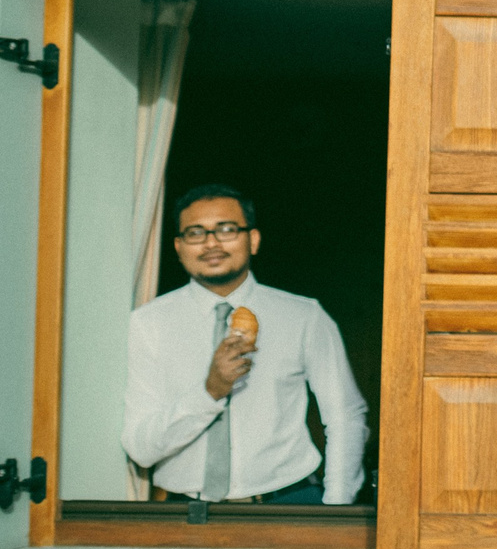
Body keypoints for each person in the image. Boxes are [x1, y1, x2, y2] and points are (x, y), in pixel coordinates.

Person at [122, 185, 370, 507]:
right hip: (184, 513)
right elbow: (141, 448)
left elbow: (345, 418)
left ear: (252, 240)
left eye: (226, 229)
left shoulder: (304, 317)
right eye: (196, 233)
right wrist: (211, 391)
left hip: (289, 503)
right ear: (179, 247)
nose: (211, 242)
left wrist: (336, 508)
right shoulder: (147, 324)